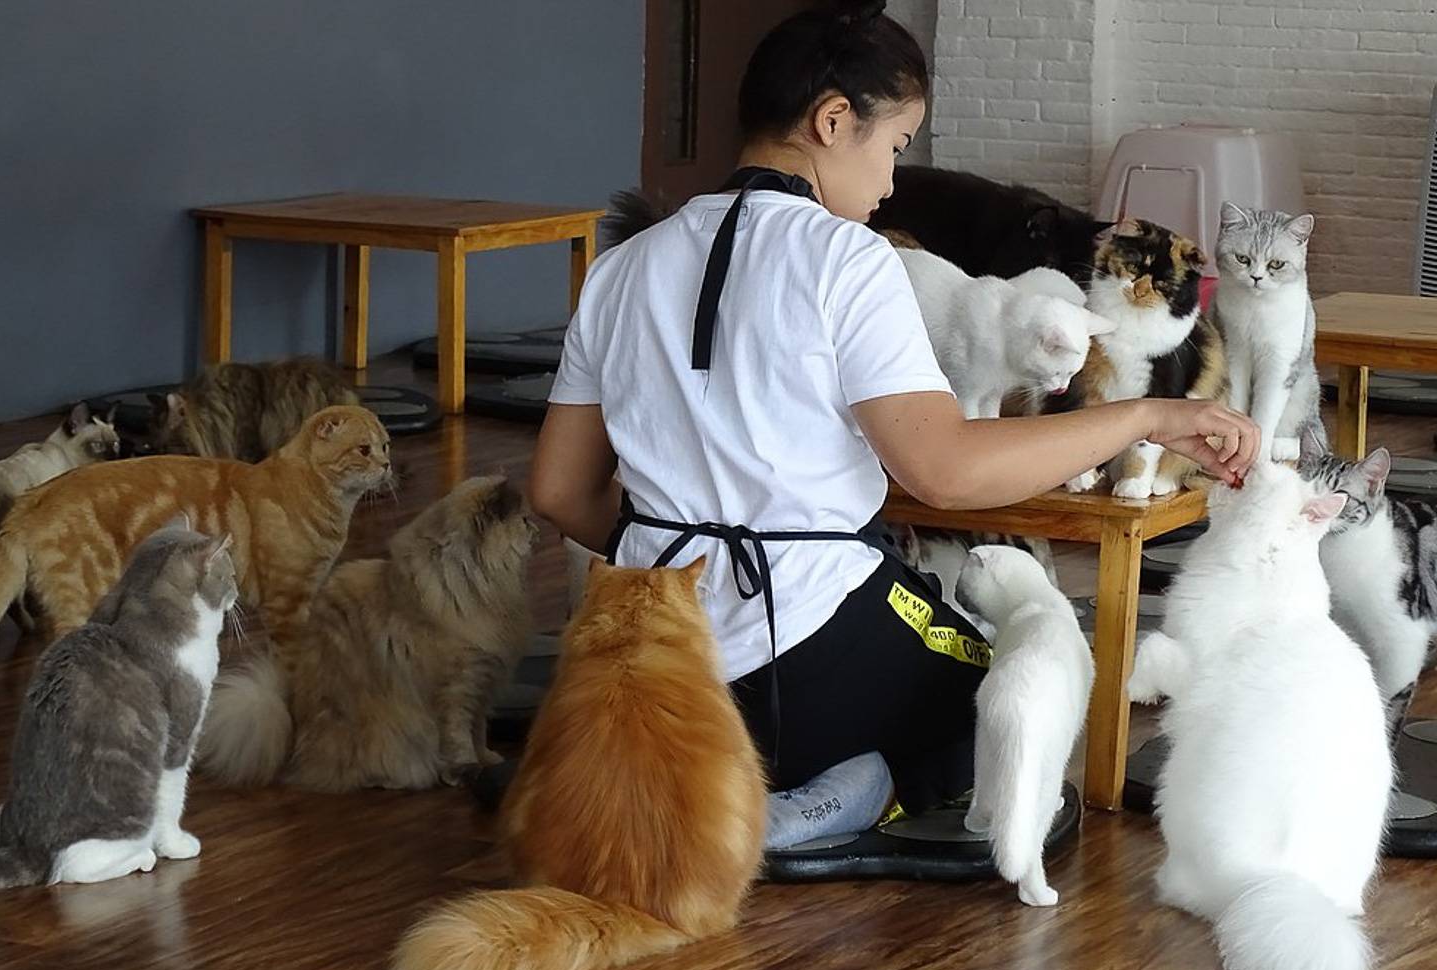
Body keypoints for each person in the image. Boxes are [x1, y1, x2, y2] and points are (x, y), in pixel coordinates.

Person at [530, 1, 1259, 845]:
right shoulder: (849, 259)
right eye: (894, 149)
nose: (888, 184)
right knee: (1005, 699)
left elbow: (556, 489)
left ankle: (704, 785)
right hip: (794, 669)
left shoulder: (620, 266)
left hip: (646, 666)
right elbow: (944, 471)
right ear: (833, 120)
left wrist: (681, 559)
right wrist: (1151, 414)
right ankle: (827, 797)